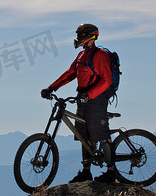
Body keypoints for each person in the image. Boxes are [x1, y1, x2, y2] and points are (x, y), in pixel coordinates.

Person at [40, 23, 116, 183]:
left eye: (81, 35)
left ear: (91, 36)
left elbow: (107, 80)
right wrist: (51, 87)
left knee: (101, 134)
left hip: (97, 98)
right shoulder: (81, 55)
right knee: (83, 135)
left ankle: (111, 172)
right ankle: (86, 172)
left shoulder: (100, 55)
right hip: (83, 98)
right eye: (78, 35)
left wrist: (90, 94)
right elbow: (70, 73)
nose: (78, 38)